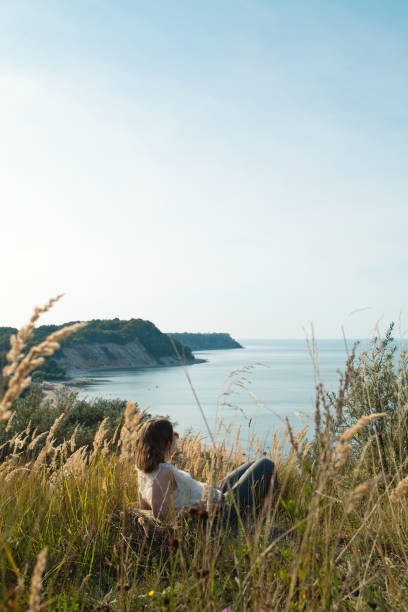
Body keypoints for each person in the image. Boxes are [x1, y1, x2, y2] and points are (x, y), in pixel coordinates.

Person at [135, 417, 278, 522]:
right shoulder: (163, 472)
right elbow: (160, 515)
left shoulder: (143, 471)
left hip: (211, 492)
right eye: (172, 436)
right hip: (221, 507)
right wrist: (198, 507)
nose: (175, 439)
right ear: (166, 444)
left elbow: (145, 507)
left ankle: (262, 512)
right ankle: (264, 515)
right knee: (266, 464)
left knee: (254, 463)